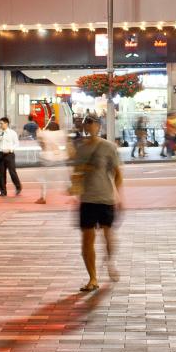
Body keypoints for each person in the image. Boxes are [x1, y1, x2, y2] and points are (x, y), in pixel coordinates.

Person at [71, 115, 122, 292]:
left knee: (108, 235)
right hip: (87, 199)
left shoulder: (109, 147)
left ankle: (110, 261)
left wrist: (119, 196)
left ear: (99, 126)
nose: (89, 126)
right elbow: (75, 173)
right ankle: (92, 278)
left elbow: (117, 173)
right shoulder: (81, 148)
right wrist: (74, 187)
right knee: (87, 239)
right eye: (87, 123)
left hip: (105, 198)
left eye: (93, 123)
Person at [34, 118, 70, 203]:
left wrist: (39, 131)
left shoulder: (45, 133)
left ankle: (43, 197)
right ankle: (72, 195)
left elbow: (39, 138)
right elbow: (66, 142)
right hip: (60, 156)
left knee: (44, 178)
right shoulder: (61, 133)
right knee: (66, 177)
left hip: (47, 157)